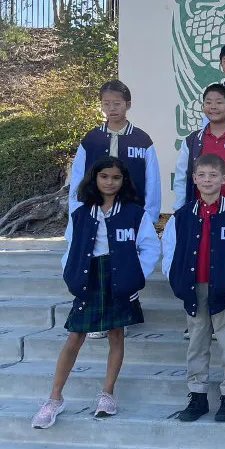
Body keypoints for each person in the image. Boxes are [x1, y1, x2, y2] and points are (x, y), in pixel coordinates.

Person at [32, 157, 159, 429]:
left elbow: (150, 247)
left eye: (116, 177)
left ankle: (107, 394)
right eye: (104, 177)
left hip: (120, 278)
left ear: (123, 181)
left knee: (116, 334)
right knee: (75, 335)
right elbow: (71, 248)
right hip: (89, 278)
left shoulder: (134, 213)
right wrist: (72, 274)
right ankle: (54, 398)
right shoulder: (81, 214)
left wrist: (134, 275)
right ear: (95, 178)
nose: (110, 182)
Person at [162, 153, 225, 423]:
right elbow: (170, 250)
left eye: (213, 175)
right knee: (197, 343)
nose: (207, 180)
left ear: (224, 179)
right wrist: (175, 278)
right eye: (201, 175)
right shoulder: (181, 216)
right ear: (194, 179)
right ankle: (198, 395)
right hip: (194, 289)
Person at [67, 81, 160, 339]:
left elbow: (152, 179)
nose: (112, 108)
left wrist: (150, 214)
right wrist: (76, 209)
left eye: (117, 103)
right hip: (96, 209)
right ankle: (97, 317)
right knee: (97, 257)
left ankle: (124, 313)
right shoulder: (92, 139)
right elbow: (78, 175)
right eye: (106, 103)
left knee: (125, 258)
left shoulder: (141, 139)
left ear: (127, 104)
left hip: (129, 211)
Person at [173, 84, 225, 212]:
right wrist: (180, 211)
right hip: (197, 213)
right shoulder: (192, 141)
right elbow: (181, 178)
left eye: (219, 102)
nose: (213, 107)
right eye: (208, 102)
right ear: (203, 107)